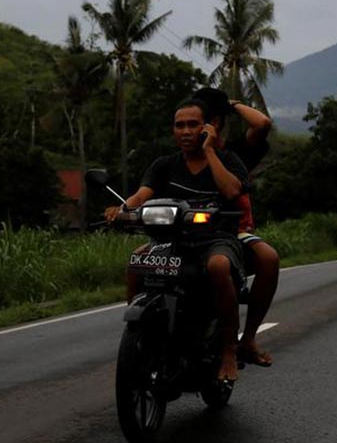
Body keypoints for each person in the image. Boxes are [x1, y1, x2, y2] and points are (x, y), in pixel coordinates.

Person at [106, 99, 248, 383]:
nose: (185, 131)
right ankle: (140, 334)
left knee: (219, 266)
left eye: (193, 125)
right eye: (179, 125)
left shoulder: (228, 160)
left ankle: (229, 349)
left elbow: (232, 191)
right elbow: (141, 195)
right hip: (172, 241)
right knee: (137, 262)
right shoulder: (164, 165)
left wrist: (209, 151)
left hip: (216, 239)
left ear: (208, 128)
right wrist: (122, 210)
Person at [191, 87, 279, 369]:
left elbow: (262, 123)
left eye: (199, 121)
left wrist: (231, 104)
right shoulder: (180, 157)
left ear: (214, 123)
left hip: (232, 231)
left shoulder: (236, 155)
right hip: (186, 231)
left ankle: (247, 339)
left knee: (268, 258)